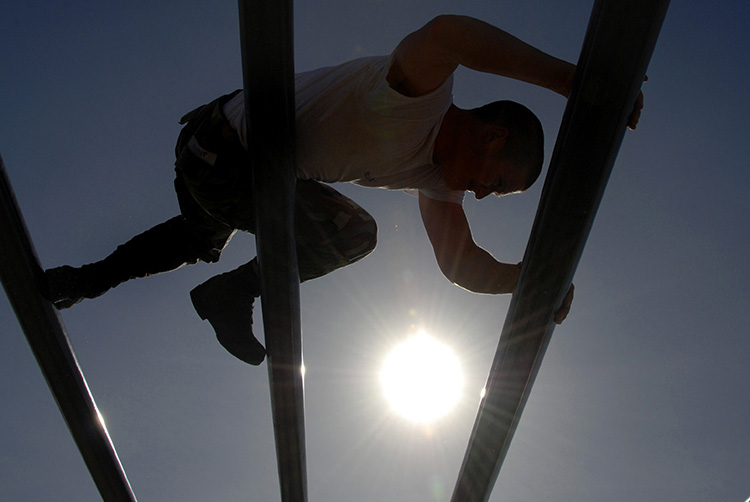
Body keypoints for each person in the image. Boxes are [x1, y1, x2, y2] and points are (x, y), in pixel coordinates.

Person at [45, 15, 643, 365]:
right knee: (355, 233)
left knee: (197, 236)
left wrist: (532, 282)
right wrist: (577, 83)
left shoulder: (436, 183)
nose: (485, 197)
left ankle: (79, 282)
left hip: (231, 176)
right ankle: (227, 293)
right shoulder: (417, 97)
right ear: (491, 137)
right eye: (500, 185)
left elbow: (461, 266)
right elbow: (447, 34)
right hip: (225, 145)